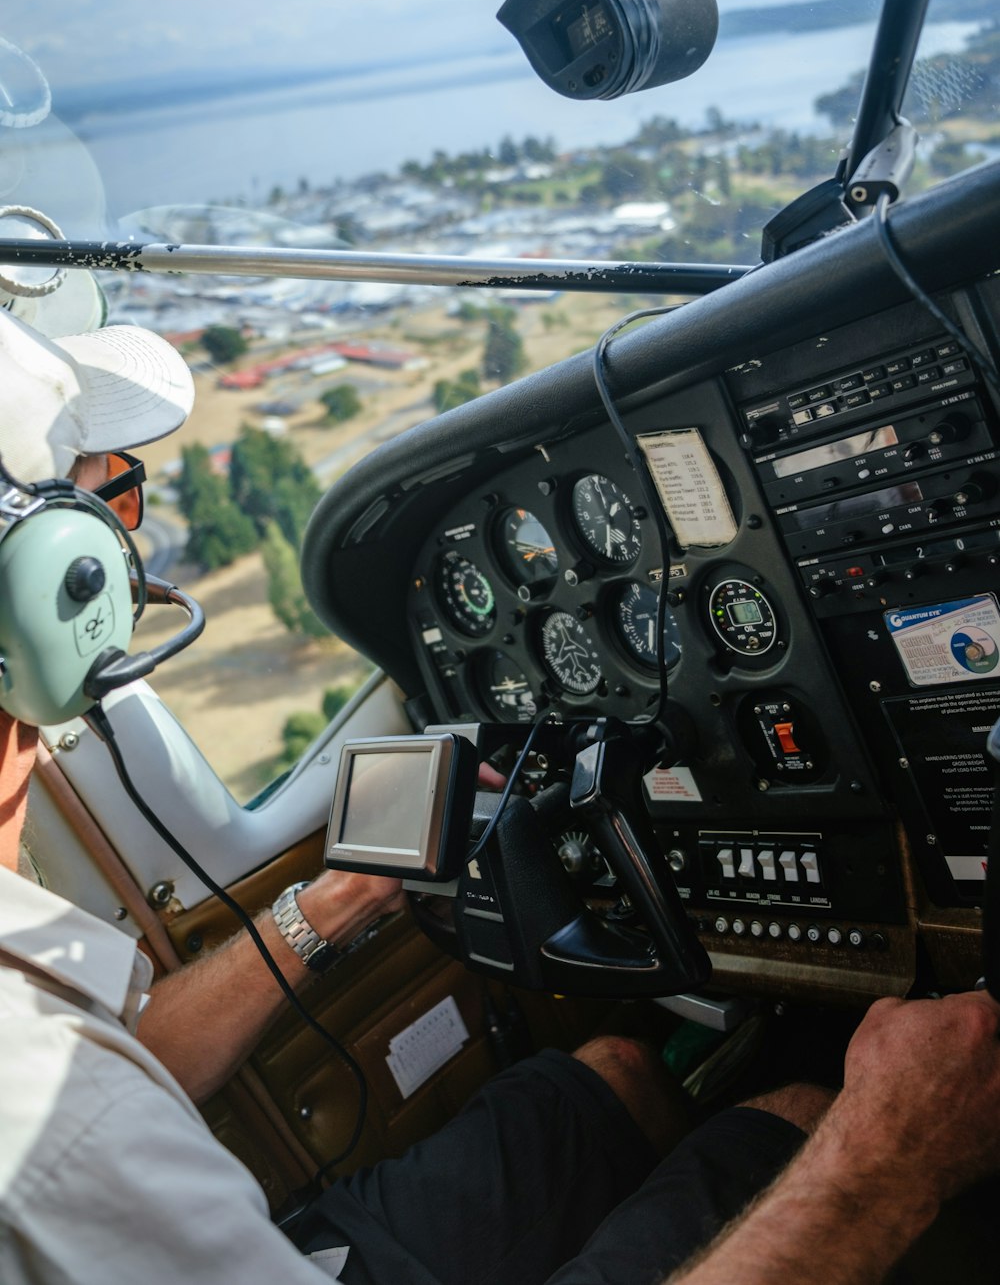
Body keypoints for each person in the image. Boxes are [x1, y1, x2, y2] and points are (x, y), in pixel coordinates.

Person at [3, 307, 1000, 1284]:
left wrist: (336, 896)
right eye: (112, 505)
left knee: (613, 1070)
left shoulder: (51, 1057)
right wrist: (885, 1169)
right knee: (808, 1117)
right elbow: (89, 1101)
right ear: (53, 584)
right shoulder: (53, 1133)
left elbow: (132, 1061)